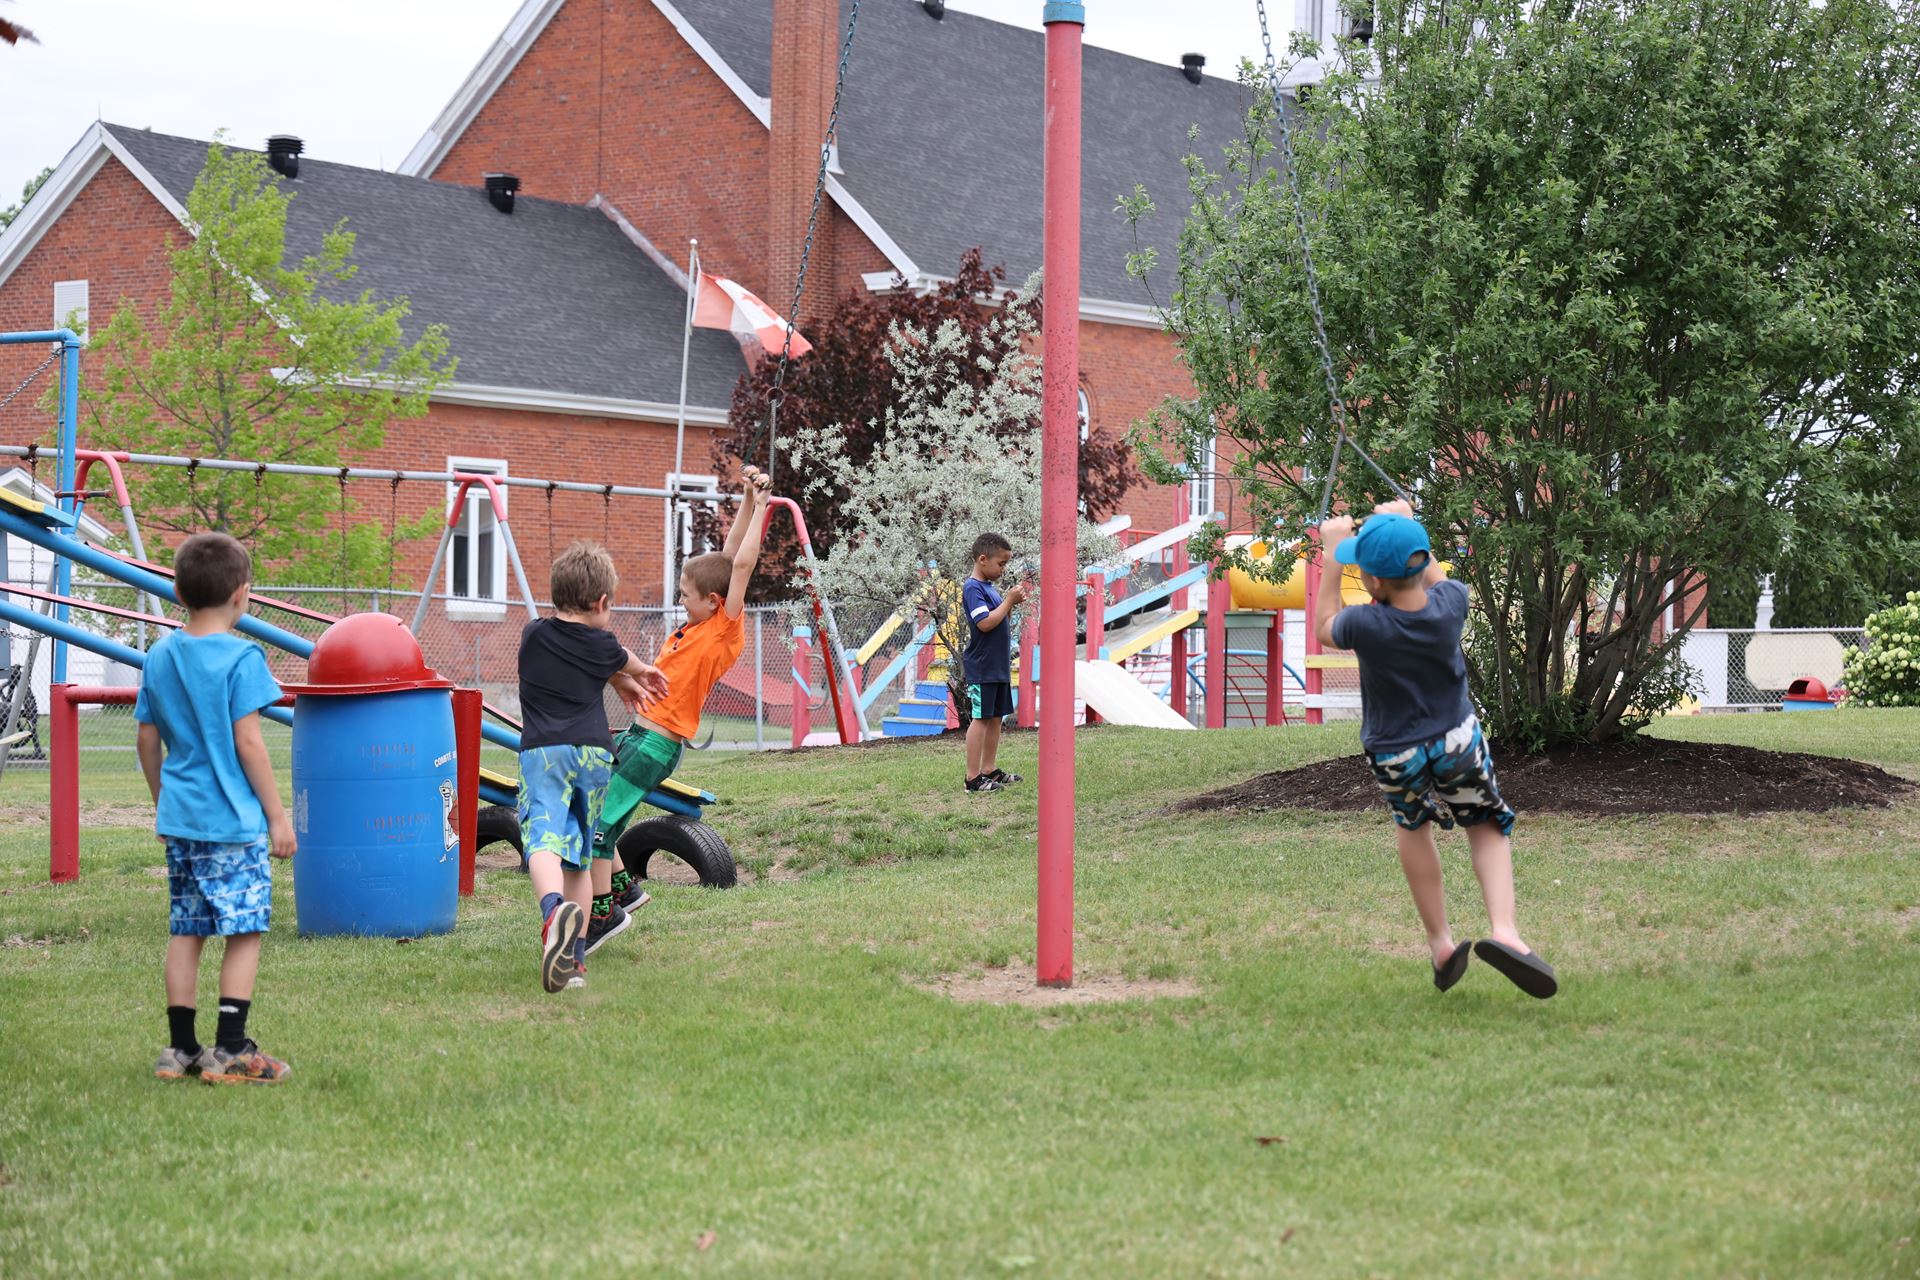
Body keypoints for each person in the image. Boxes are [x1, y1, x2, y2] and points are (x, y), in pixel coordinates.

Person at [1316, 500, 1556, 998]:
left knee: (1414, 828)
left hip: (1394, 752)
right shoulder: (1451, 606)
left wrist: (1334, 556)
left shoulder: (1365, 625)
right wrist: (1407, 524)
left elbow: (1324, 626)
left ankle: (1442, 944)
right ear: (1421, 564)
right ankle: (1506, 932)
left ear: (1373, 583)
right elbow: (1436, 575)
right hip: (1457, 741)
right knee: (1486, 825)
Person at [135, 532, 297, 1083]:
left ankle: (180, 1050)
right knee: (244, 930)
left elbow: (146, 741)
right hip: (233, 824)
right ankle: (231, 1050)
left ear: (178, 590)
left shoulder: (157, 656)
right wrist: (277, 816)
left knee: (187, 930)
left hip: (182, 820)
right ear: (242, 595)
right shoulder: (243, 656)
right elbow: (249, 743)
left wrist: (165, 803)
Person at [587, 466, 773, 940]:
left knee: (598, 832)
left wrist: (763, 508)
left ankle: (605, 913)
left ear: (714, 601)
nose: (680, 600)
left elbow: (743, 566)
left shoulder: (722, 629)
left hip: (654, 744)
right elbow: (728, 557)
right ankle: (626, 889)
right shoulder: (696, 624)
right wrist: (746, 497)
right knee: (602, 818)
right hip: (642, 738)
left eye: (686, 595)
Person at [518, 540, 669, 992]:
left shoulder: (532, 634)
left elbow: (591, 659)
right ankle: (574, 961)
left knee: (543, 842)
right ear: (602, 603)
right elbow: (621, 660)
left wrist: (627, 675)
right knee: (580, 863)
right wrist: (641, 674)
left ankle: (552, 914)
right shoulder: (603, 644)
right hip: (595, 755)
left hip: (544, 752)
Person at [960, 531, 1027, 794]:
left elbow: (1000, 621)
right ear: (983, 559)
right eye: (1001, 563)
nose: (1003, 569)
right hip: (982, 666)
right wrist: (1009, 600)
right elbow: (985, 623)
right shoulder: (973, 588)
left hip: (998, 666)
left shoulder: (989, 589)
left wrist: (1009, 605)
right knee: (981, 718)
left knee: (996, 717)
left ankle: (989, 769)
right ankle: (972, 778)